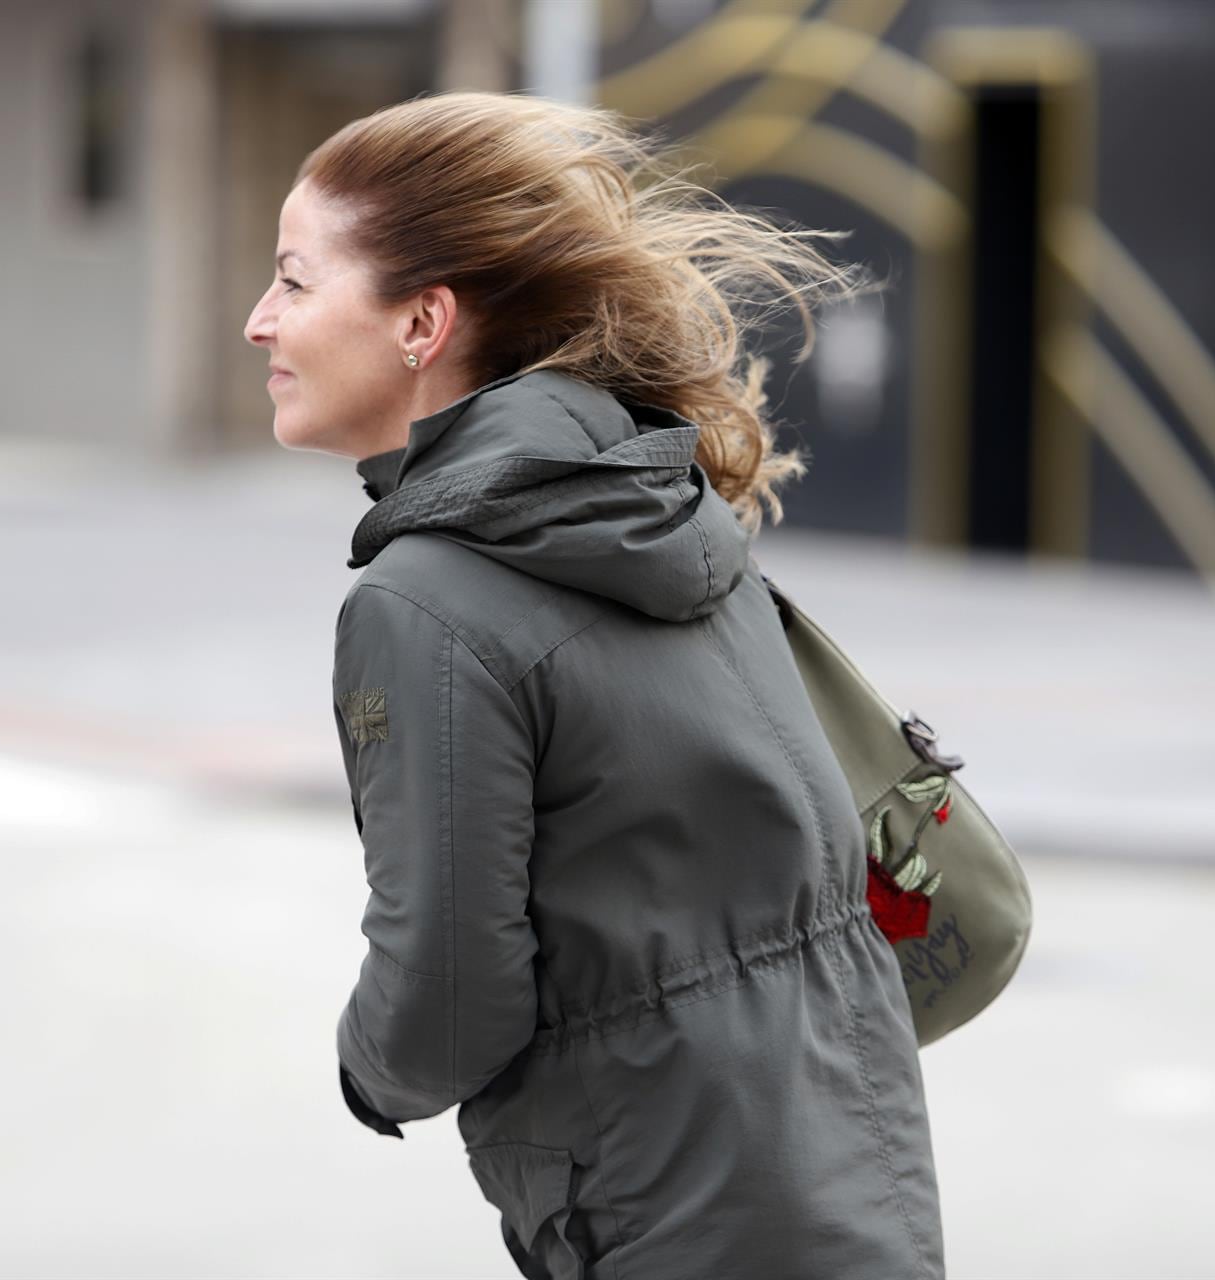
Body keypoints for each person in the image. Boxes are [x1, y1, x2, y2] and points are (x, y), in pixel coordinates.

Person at [244, 91, 944, 1279]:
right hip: (848, 1179)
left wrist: (367, 1067)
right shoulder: (656, 494)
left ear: (423, 322)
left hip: (662, 1210)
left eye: (296, 282)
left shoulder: (422, 602)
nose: (260, 322)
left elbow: (448, 1000)